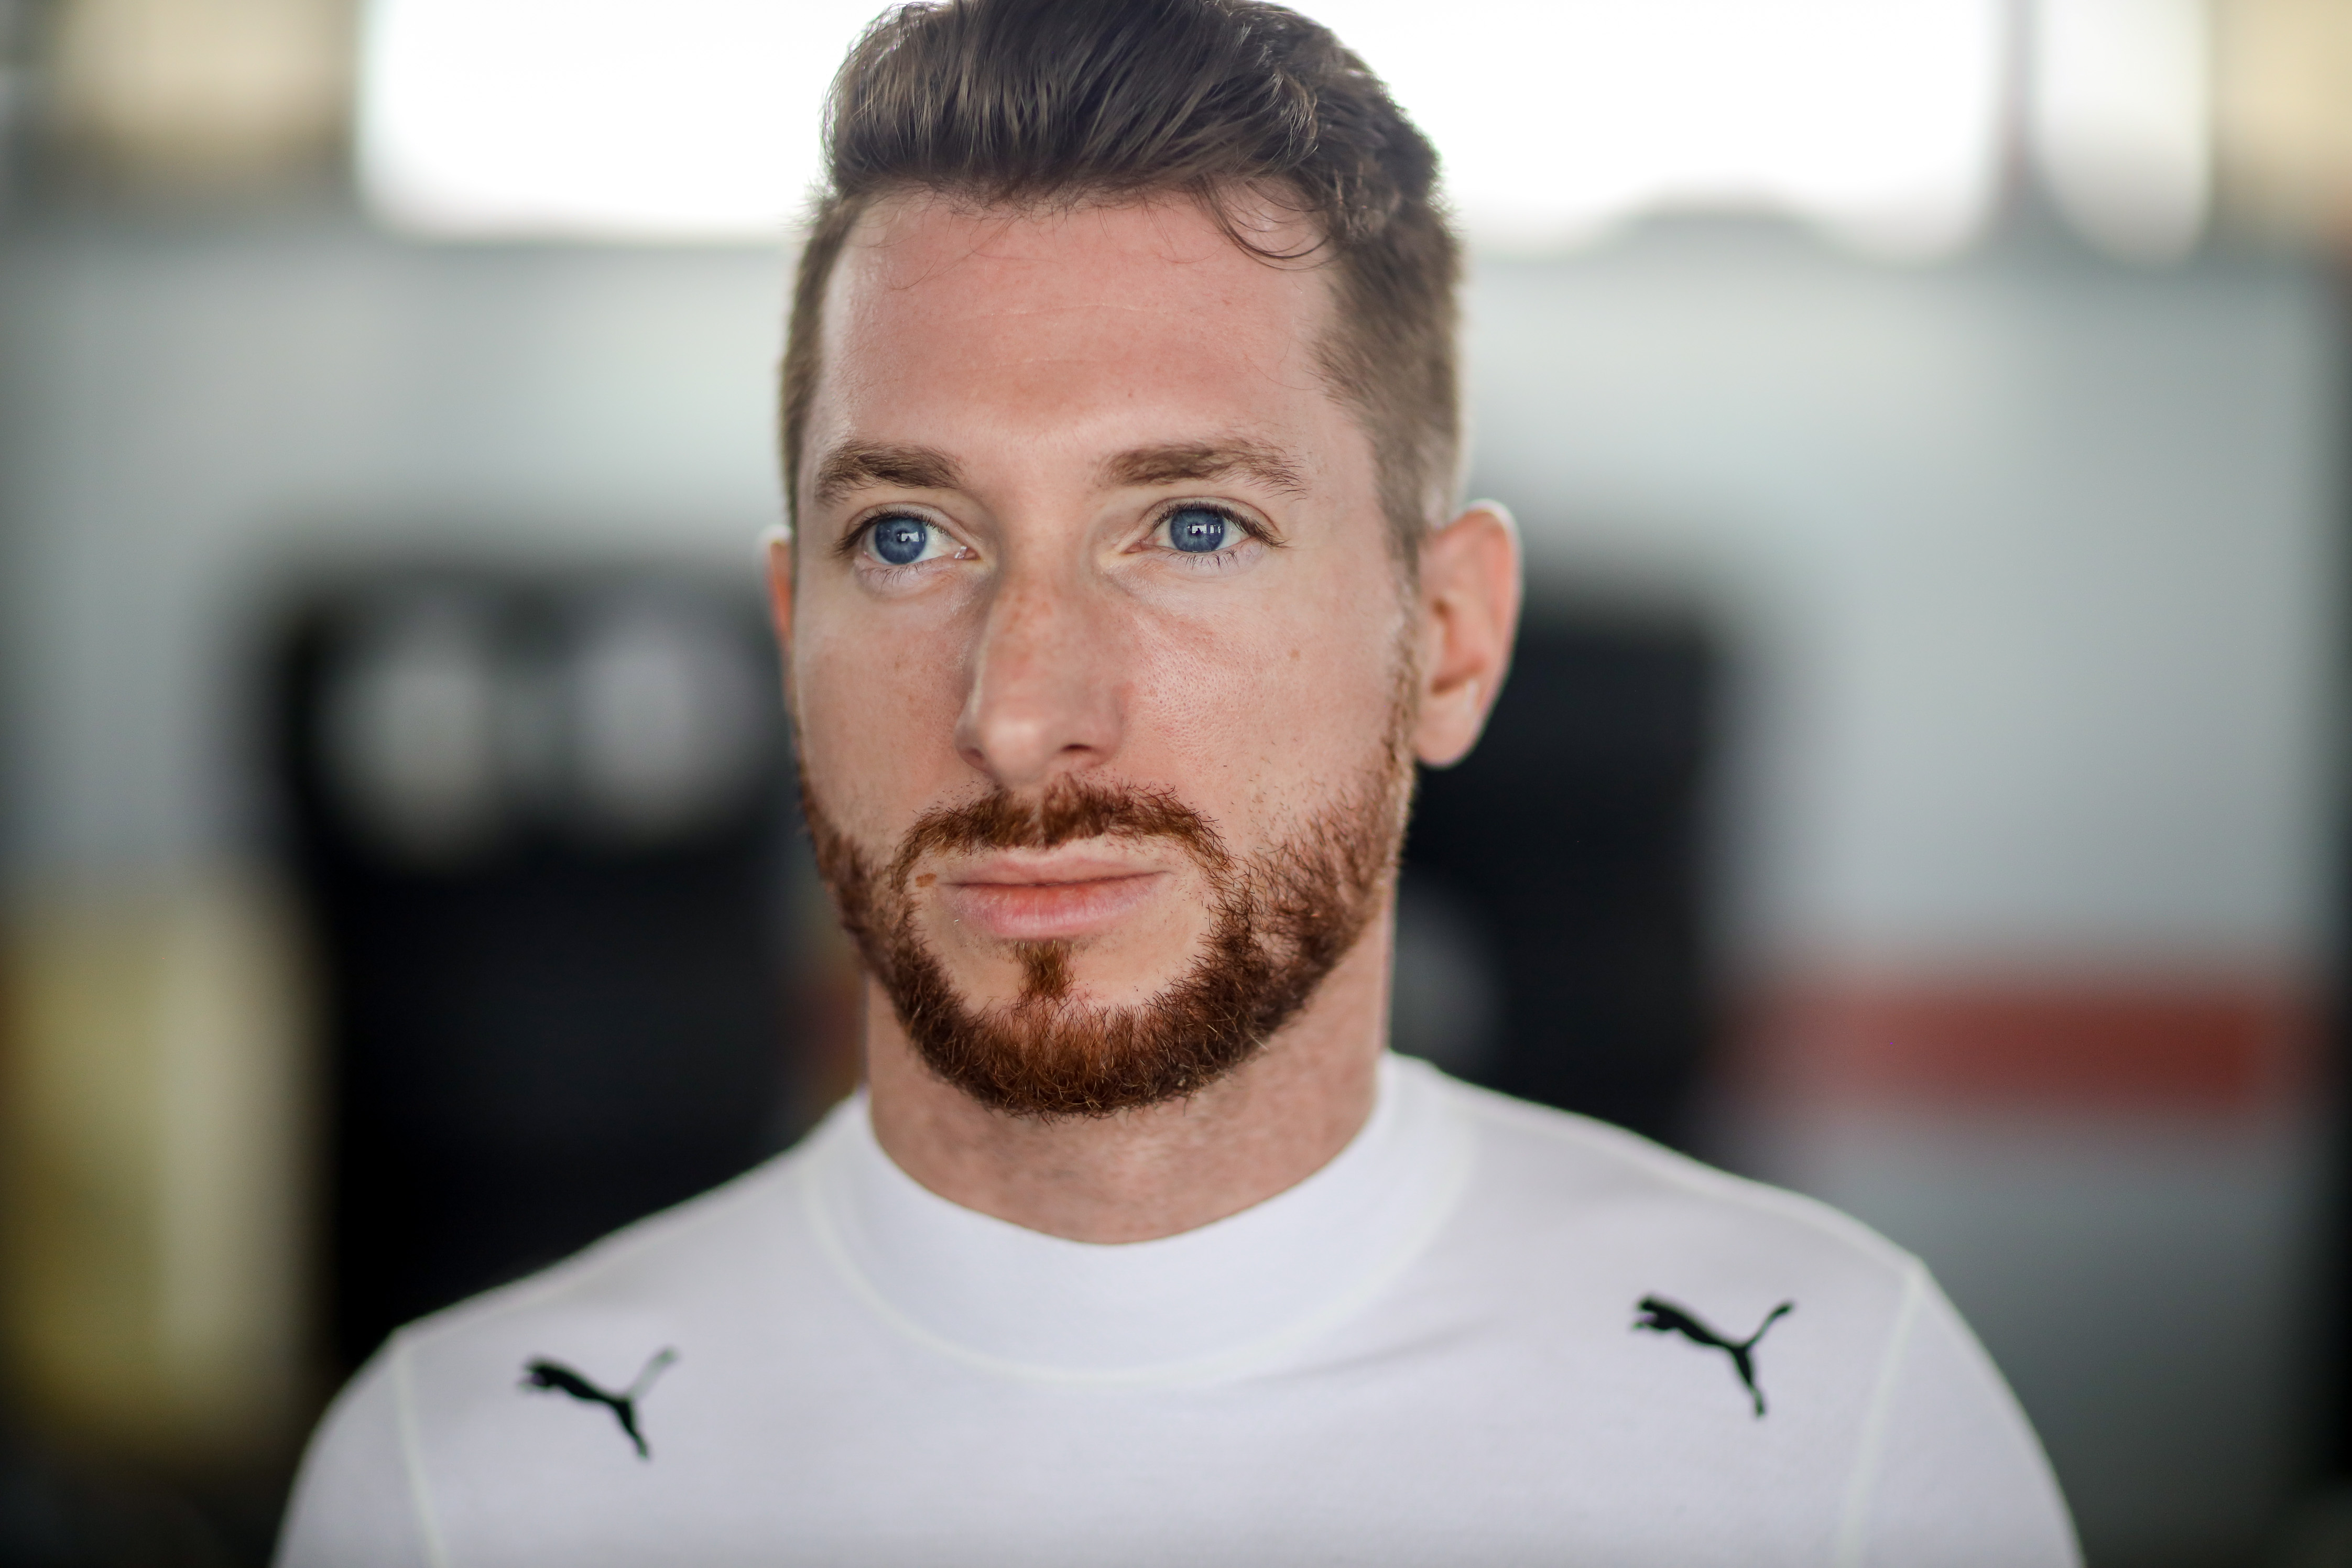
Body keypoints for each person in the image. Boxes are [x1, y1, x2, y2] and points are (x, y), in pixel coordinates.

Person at [277, 1, 2079, 1562]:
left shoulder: (1828, 1430)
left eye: (1193, 527)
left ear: (1451, 640)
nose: (1019, 713)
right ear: (790, 636)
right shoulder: (467, 1481)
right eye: (907, 537)